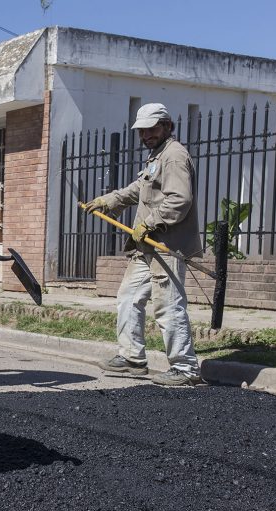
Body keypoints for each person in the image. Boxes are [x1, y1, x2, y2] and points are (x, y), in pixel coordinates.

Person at [82, 103, 203, 387]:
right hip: (145, 247)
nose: (147, 135)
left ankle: (185, 368)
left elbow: (179, 200)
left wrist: (150, 223)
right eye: (143, 131)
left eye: (153, 129)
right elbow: (140, 189)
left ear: (167, 126)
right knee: (128, 297)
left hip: (165, 245)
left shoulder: (174, 156)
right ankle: (132, 359)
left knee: (168, 305)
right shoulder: (156, 156)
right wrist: (109, 200)